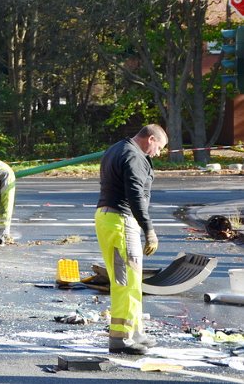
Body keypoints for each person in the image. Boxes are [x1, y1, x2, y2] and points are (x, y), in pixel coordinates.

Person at [96, 124, 167, 355]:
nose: (157, 154)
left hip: (108, 218)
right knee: (126, 281)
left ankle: (135, 331)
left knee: (131, 280)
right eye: (159, 148)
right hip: (121, 221)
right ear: (151, 139)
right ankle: (122, 338)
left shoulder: (117, 149)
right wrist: (149, 229)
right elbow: (135, 194)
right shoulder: (134, 156)